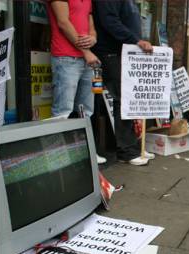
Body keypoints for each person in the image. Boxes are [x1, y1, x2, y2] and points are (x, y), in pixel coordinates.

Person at [92, 0, 155, 166]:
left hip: (125, 53)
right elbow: (109, 21)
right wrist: (135, 40)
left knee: (128, 100)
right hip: (112, 52)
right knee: (122, 99)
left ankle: (134, 147)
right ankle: (126, 151)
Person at [47, 0, 107, 164]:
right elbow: (63, 22)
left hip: (86, 59)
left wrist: (93, 38)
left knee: (86, 111)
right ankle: (58, 159)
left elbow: (90, 23)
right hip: (66, 57)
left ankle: (85, 153)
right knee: (62, 111)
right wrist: (86, 51)